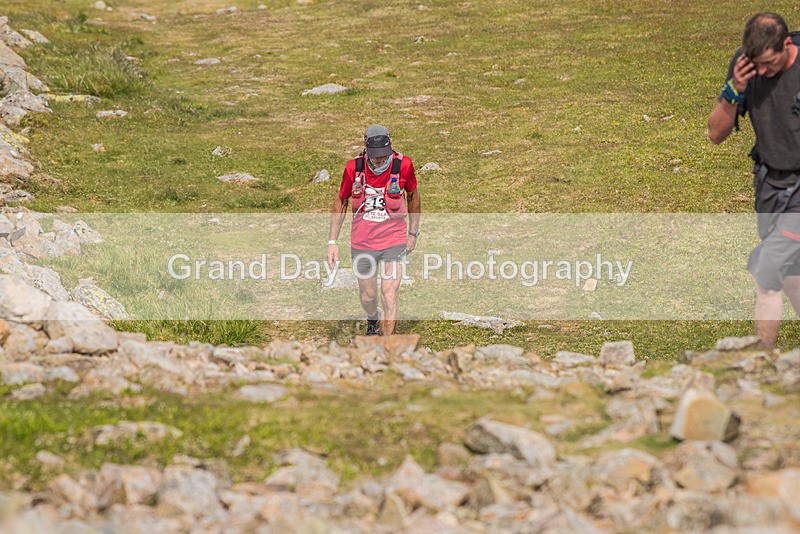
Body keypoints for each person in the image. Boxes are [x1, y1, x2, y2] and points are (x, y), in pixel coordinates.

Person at [708, 12, 800, 348]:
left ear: (787, 45)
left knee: (767, 270)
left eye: (769, 64)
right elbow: (715, 134)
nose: (762, 72)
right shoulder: (745, 67)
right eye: (756, 64)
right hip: (770, 185)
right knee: (790, 275)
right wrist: (735, 90)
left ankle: (761, 364)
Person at [327, 125, 421, 335]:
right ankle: (373, 319)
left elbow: (414, 196)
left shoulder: (404, 165)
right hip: (363, 242)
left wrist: (413, 234)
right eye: (375, 156)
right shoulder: (353, 168)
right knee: (367, 297)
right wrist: (332, 242)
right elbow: (341, 201)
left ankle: (387, 346)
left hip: (393, 239)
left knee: (389, 294)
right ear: (366, 148)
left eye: (383, 155)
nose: (379, 160)